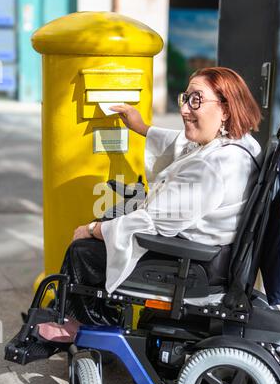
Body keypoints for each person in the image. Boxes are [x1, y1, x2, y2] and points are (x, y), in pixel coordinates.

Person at [60, 67, 262, 322]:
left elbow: (150, 221)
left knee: (83, 249)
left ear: (225, 109)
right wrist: (143, 128)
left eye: (196, 99)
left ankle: (81, 323)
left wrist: (91, 229)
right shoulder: (243, 144)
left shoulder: (211, 167)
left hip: (193, 263)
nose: (185, 109)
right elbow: (186, 146)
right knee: (110, 220)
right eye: (185, 98)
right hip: (215, 256)